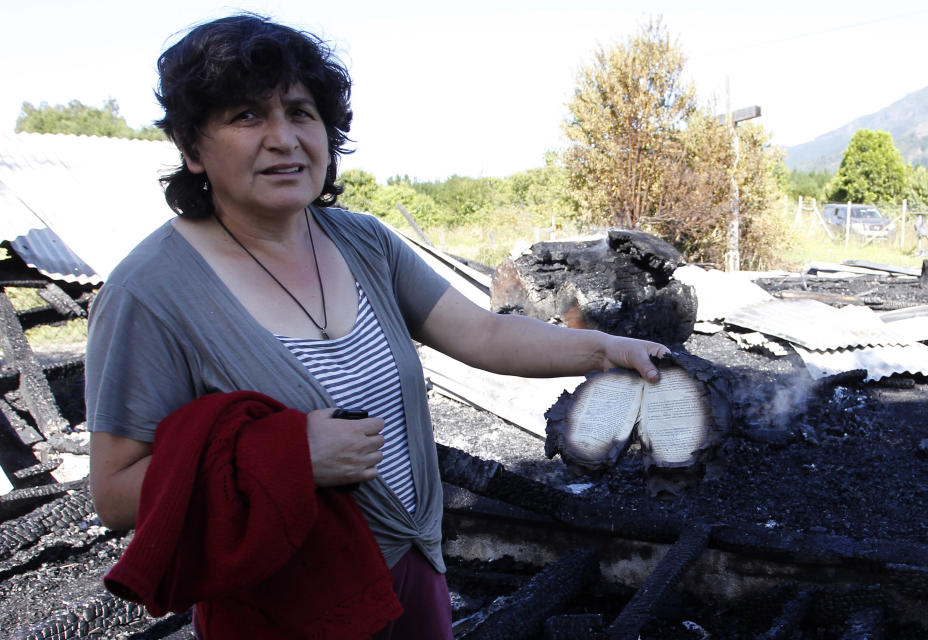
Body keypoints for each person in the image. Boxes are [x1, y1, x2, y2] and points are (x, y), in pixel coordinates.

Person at [85, 14, 671, 640]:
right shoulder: (149, 293)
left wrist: (603, 349)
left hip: (413, 560)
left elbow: (485, 334)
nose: (284, 139)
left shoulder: (362, 241)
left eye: (301, 112)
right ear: (191, 146)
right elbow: (116, 493)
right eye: (246, 117)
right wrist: (286, 459)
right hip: (285, 604)